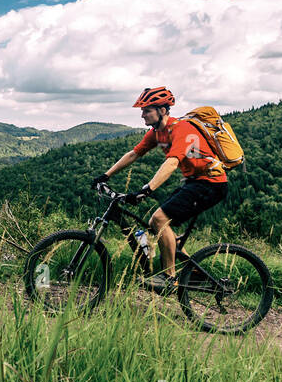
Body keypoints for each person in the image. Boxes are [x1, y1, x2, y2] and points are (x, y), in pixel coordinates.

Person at [91, 86, 228, 293]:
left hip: (211, 183)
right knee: (160, 226)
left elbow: (172, 163)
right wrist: (105, 175)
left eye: (147, 110)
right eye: (142, 110)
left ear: (162, 110)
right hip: (194, 182)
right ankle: (193, 272)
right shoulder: (157, 132)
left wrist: (147, 189)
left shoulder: (181, 129)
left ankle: (170, 280)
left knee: (158, 219)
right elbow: (134, 154)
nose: (142, 114)